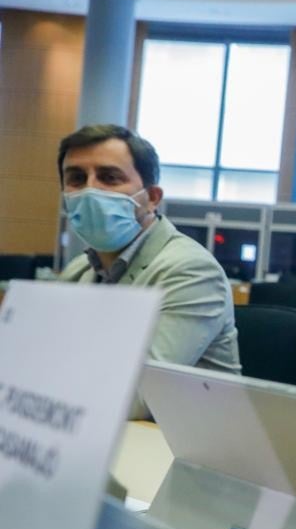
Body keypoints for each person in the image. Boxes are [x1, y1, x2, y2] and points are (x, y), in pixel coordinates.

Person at [58, 124, 241, 419]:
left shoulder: (191, 271)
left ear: (152, 197)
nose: (90, 189)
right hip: (99, 437)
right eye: (77, 178)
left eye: (109, 177)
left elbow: (138, 396)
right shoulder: (78, 271)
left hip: (182, 450)